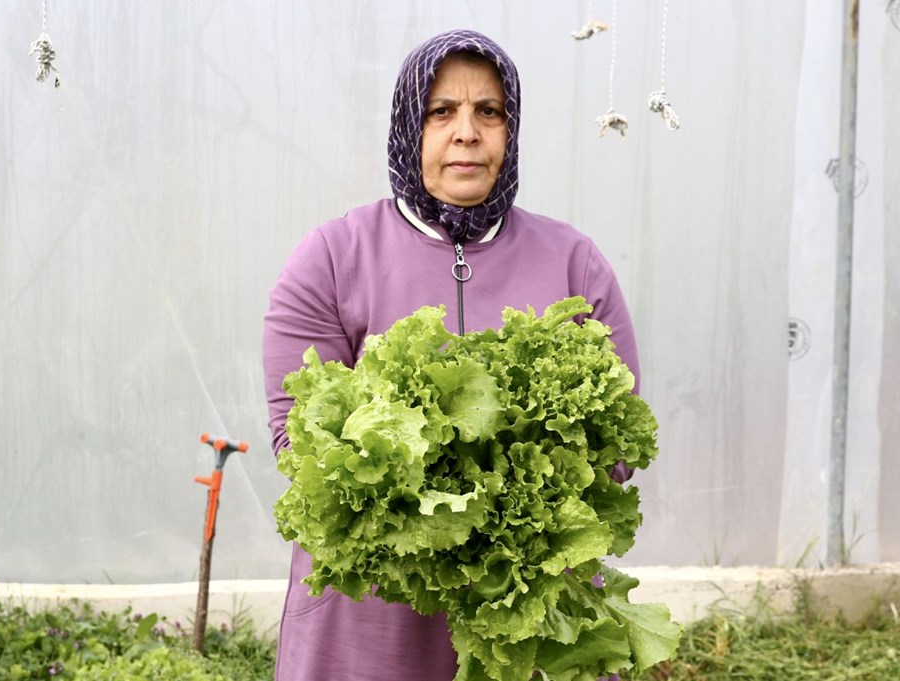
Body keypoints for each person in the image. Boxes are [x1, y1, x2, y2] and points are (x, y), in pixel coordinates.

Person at [262, 29, 639, 681]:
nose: (466, 132)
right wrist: (422, 500)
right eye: (442, 111)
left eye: (488, 111)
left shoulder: (575, 263)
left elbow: (619, 442)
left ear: (509, 129)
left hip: (530, 618)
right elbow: (302, 446)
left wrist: (523, 502)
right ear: (411, 125)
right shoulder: (331, 259)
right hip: (371, 628)